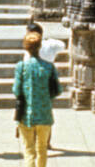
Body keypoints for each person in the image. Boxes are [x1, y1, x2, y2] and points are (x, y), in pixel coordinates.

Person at [13, 31, 61, 167]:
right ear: (39, 47)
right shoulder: (49, 67)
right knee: (42, 149)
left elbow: (16, 90)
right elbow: (57, 91)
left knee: (29, 151)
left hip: (26, 115)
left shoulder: (21, 67)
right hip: (45, 114)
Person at [22, 21, 65, 150]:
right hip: (46, 81)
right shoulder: (49, 45)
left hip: (33, 82)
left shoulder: (28, 50)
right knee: (46, 111)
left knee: (32, 111)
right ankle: (45, 141)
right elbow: (62, 45)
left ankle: (35, 140)